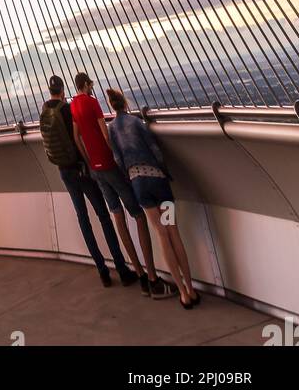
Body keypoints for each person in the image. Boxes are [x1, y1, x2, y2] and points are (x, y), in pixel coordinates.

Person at [70, 71, 170, 298]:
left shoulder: (74, 106)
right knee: (138, 215)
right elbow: (106, 135)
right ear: (86, 84)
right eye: (91, 84)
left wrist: (88, 160)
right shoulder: (92, 103)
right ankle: (152, 277)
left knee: (117, 217)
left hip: (96, 170)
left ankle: (138, 274)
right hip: (109, 166)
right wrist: (119, 161)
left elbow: (77, 137)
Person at [39, 74, 136, 289]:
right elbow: (79, 137)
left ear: (49, 90)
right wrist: (90, 162)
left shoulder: (45, 111)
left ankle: (102, 271)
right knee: (104, 216)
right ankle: (122, 268)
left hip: (64, 172)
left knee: (83, 218)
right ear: (63, 90)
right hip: (83, 170)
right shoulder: (67, 108)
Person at [107, 88, 199, 310]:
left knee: (161, 234)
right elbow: (155, 151)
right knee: (173, 231)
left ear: (112, 106)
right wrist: (165, 172)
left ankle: (182, 293)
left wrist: (131, 177)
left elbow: (118, 158)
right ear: (125, 103)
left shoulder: (111, 129)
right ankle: (191, 288)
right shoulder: (137, 123)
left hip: (140, 186)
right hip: (158, 183)